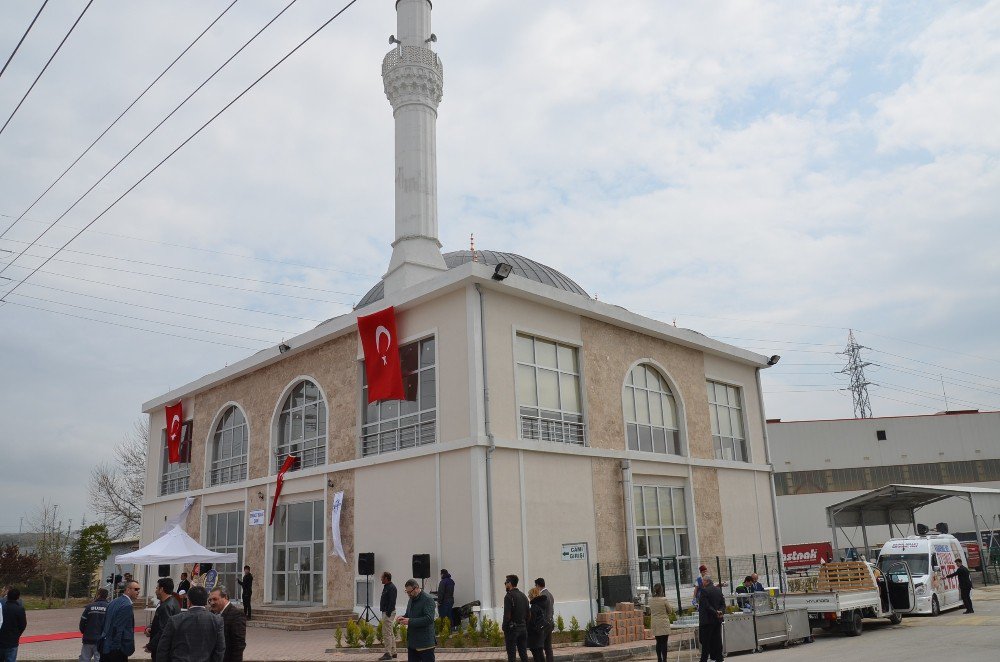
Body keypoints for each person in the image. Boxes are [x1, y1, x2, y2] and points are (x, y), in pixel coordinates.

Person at [156, 585, 225, 662]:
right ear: (206, 600)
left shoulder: (175, 620)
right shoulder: (217, 621)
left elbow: (163, 649)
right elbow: (220, 650)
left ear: (189, 601)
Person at [396, 579, 436, 662]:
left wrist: (410, 621)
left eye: (410, 592)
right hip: (412, 643)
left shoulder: (428, 599)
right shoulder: (411, 598)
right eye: (406, 592)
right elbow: (409, 615)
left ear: (417, 588)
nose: (408, 594)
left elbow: (429, 619)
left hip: (425, 643)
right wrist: (402, 618)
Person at [101, 579, 140, 662]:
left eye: (139, 589)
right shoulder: (127, 605)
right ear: (128, 590)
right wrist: (116, 648)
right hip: (117, 650)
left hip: (106, 646)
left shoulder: (113, 602)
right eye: (136, 589)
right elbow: (118, 628)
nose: (138, 592)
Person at [147, 579, 180, 661]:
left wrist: (151, 646)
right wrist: (151, 628)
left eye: (156, 588)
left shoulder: (166, 606)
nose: (155, 591)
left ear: (161, 589)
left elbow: (164, 630)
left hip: (162, 651)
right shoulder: (174, 601)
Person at [209, 587, 246, 662]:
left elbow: (239, 644)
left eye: (215, 599)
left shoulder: (237, 614)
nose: (212, 603)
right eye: (210, 600)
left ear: (225, 597)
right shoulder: (211, 613)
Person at [502, 575, 529, 662]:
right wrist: (524, 624)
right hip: (523, 629)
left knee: (511, 655)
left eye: (506, 582)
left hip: (512, 630)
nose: (505, 584)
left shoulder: (509, 596)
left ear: (510, 583)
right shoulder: (523, 596)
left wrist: (504, 627)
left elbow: (507, 615)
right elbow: (529, 614)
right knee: (523, 654)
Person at [697, 576, 725, 662]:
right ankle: (718, 658)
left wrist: (715, 612)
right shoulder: (718, 590)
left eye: (703, 581)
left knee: (705, 641)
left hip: (707, 620)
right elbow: (723, 604)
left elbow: (706, 606)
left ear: (707, 581)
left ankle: (704, 659)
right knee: (717, 639)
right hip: (717, 620)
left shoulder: (704, 591)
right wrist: (720, 612)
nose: (702, 583)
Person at [79, 587, 110, 662]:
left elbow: (82, 622)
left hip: (88, 638)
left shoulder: (89, 607)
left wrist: (85, 632)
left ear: (98, 595)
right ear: (106, 596)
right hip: (101, 640)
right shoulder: (109, 607)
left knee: (84, 659)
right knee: (99, 659)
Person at [0, 587, 27, 662]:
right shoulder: (20, 609)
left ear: (7, 596)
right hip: (12, 641)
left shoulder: (1, 607)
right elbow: (23, 625)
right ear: (18, 597)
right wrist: (17, 634)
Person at [648, 584, 674, 662]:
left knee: (658, 642)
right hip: (663, 623)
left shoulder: (650, 600)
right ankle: (664, 660)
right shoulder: (664, 599)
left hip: (655, 623)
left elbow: (650, 611)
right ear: (661, 590)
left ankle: (659, 659)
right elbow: (670, 611)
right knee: (664, 642)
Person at [533, 578, 554, 662]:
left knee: (540, 646)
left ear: (538, 585)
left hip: (544, 625)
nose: (535, 587)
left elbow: (541, 611)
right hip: (550, 623)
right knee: (548, 647)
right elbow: (551, 609)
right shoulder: (550, 594)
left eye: (535, 585)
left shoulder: (542, 596)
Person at [379, 571, 398, 661]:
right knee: (390, 632)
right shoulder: (387, 587)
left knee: (386, 633)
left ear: (386, 578)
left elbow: (392, 601)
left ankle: (388, 653)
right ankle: (393, 652)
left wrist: (388, 613)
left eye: (382, 577)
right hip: (387, 612)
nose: (381, 579)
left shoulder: (391, 587)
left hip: (388, 612)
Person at [525, 587, 548, 662]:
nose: (528, 597)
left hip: (534, 634)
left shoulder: (534, 607)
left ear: (532, 596)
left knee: (536, 655)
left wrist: (527, 628)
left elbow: (532, 622)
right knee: (540, 652)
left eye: (529, 595)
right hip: (541, 632)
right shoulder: (542, 605)